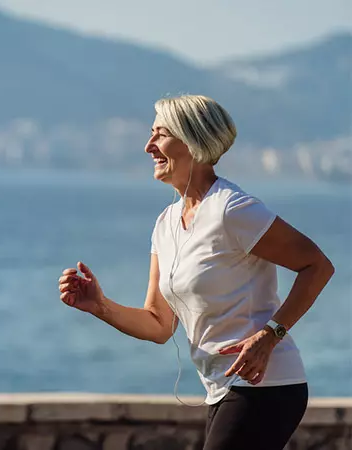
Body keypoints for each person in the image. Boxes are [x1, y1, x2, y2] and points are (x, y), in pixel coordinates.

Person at [57, 95, 335, 450]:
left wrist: (269, 336)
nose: (148, 146)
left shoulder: (232, 210)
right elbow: (159, 324)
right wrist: (100, 306)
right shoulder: (165, 224)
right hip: (220, 389)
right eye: (150, 134)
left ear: (193, 140)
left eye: (160, 134)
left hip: (266, 385)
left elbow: (317, 265)